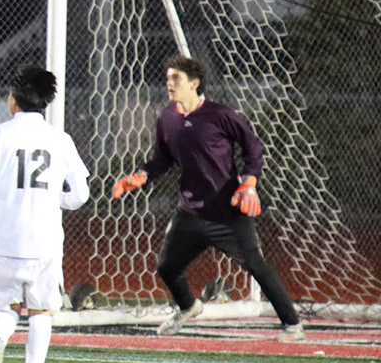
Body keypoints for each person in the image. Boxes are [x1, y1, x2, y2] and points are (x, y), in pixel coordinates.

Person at [111, 55, 304, 342]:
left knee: (256, 266)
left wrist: (249, 183)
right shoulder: (167, 117)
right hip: (190, 212)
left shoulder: (220, 115)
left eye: (176, 78)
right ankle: (188, 307)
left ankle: (292, 326)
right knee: (167, 267)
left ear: (194, 83)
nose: (169, 83)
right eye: (168, 78)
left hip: (227, 212)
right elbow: (162, 159)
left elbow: (253, 148)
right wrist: (140, 176)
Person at [0, 65, 90, 363]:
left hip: (5, 239)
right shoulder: (60, 139)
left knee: (6, 308)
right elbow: (80, 194)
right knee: (41, 313)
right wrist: (55, 199)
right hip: (45, 242)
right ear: (46, 101)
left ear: (14, 99)